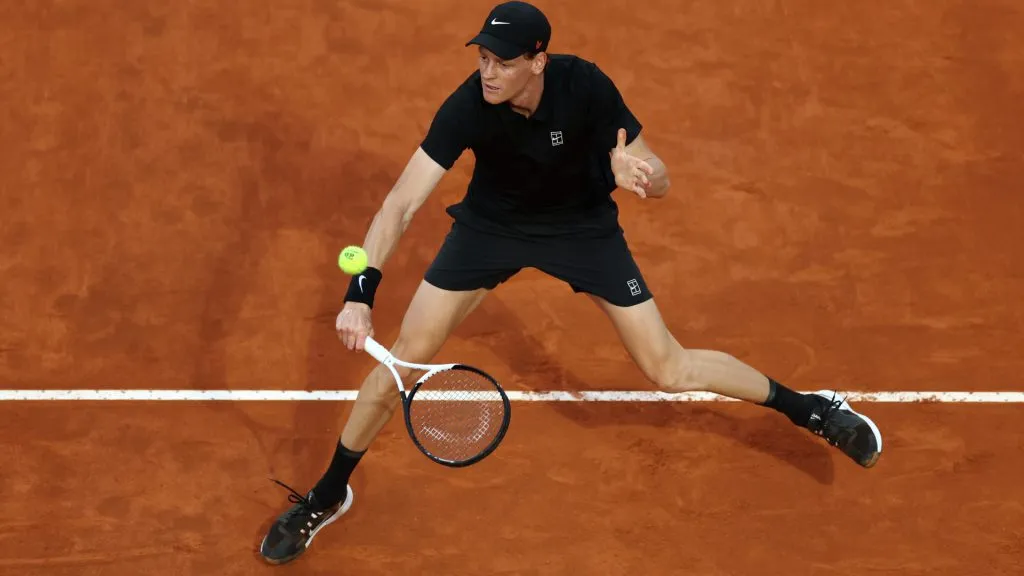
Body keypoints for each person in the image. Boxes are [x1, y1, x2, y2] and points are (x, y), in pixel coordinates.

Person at [259, 0, 883, 565]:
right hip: (491, 231)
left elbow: (659, 175)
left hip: (583, 230)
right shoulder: (467, 105)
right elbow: (400, 203)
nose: (488, 72)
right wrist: (359, 294)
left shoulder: (586, 87)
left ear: (539, 61)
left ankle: (810, 408)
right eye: (482, 58)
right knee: (401, 363)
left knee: (669, 369)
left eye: (502, 61)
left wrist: (636, 172)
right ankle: (328, 493)